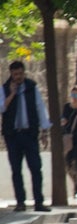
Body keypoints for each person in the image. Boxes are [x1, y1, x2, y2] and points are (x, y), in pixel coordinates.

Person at [2, 61, 52, 212]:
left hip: (29, 134)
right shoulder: (5, 88)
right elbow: (2, 107)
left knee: (36, 168)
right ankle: (20, 202)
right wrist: (12, 93)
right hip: (13, 135)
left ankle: (38, 202)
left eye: (20, 74)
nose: (18, 77)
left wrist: (45, 131)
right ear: (11, 74)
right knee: (16, 170)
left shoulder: (32, 87)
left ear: (24, 73)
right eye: (15, 74)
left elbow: (40, 108)